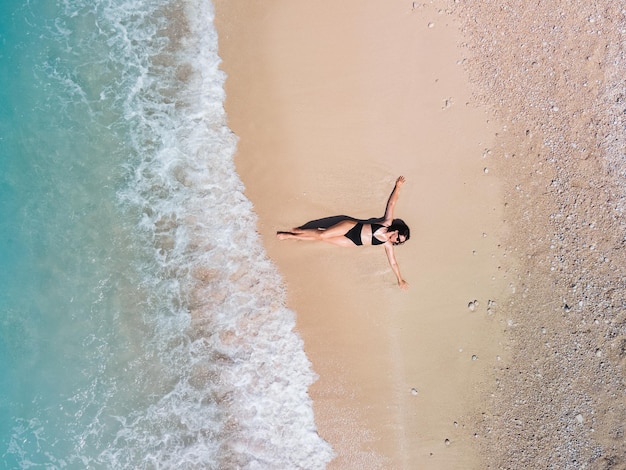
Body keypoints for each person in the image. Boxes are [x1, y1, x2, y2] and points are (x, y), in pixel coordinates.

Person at [277, 176, 410, 290]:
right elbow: (392, 204)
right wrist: (398, 187)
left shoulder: (387, 245)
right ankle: (292, 234)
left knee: (322, 239)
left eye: (399, 242)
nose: (396, 241)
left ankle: (294, 236)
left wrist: (400, 279)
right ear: (397, 231)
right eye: (398, 238)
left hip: (352, 242)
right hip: (350, 227)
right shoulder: (386, 223)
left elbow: (393, 263)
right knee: (322, 234)